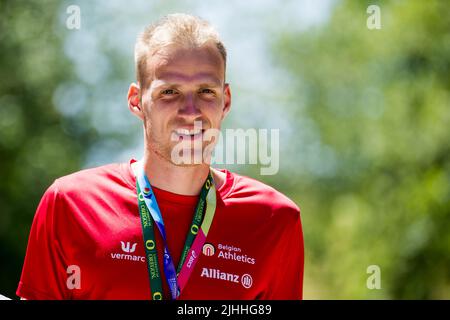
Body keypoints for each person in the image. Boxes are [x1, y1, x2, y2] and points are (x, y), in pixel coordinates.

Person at [16, 13, 304, 300]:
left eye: (206, 91)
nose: (190, 111)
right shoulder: (70, 204)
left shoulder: (275, 220)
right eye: (169, 92)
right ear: (136, 101)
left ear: (225, 101)